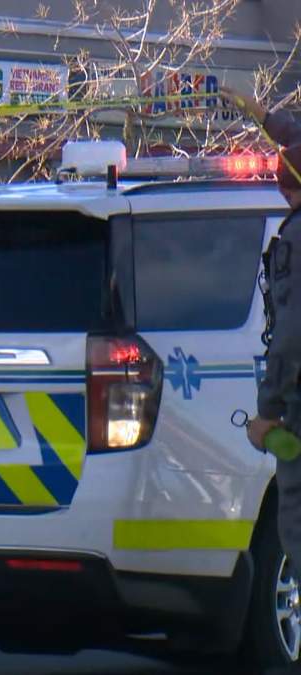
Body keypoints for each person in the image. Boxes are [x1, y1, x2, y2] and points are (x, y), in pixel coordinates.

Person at [228, 89, 301, 674]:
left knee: (296, 524)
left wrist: (270, 411)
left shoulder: (297, 239)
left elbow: (292, 335)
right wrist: (265, 117)